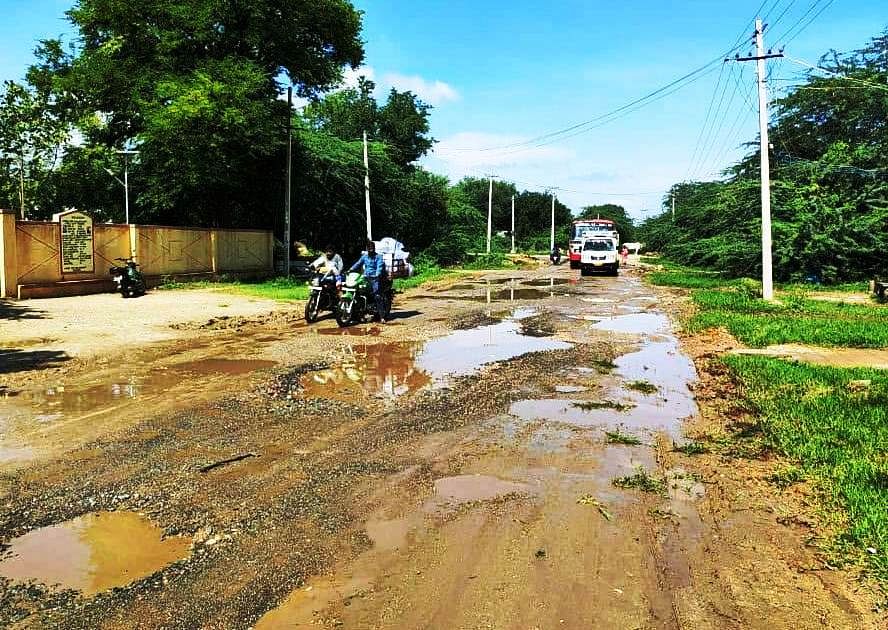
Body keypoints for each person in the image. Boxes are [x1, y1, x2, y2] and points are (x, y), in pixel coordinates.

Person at [349, 240, 389, 323]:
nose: (370, 249)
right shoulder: (364, 256)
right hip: (365, 277)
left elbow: (379, 266)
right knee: (358, 291)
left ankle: (382, 317)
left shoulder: (379, 257)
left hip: (375, 278)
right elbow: (358, 263)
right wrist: (350, 269)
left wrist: (377, 274)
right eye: (369, 248)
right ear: (367, 248)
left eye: (372, 247)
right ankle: (359, 314)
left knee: (377, 295)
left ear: (374, 248)